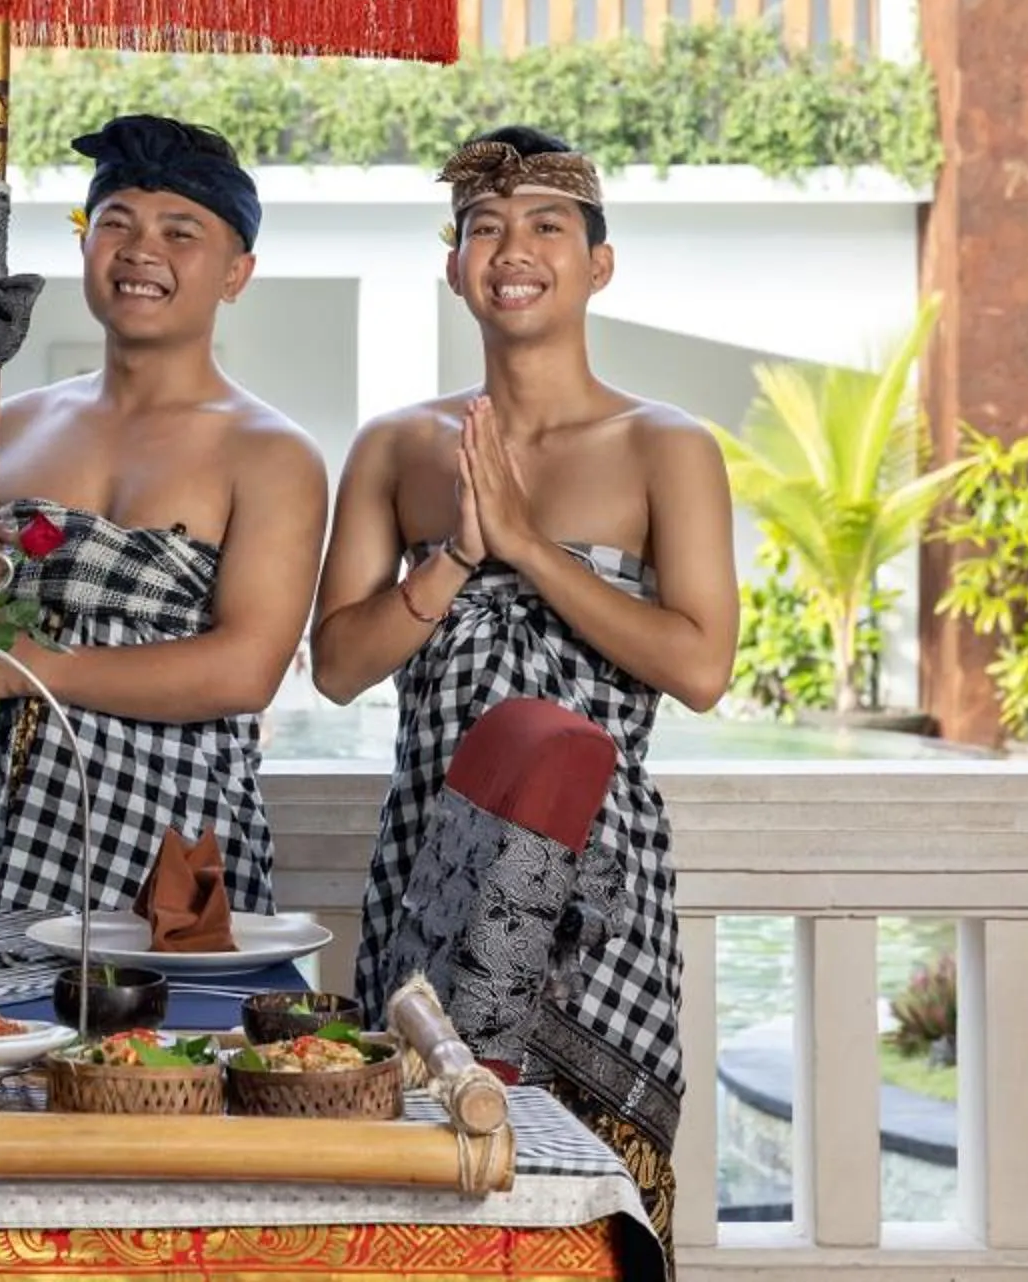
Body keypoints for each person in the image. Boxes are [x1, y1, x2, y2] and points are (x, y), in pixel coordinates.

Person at [312, 125, 738, 1262]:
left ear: (599, 261)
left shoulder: (665, 446)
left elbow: (700, 666)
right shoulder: (397, 445)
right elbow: (339, 663)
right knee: (422, 1174)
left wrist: (531, 547)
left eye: (548, 225)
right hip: (431, 852)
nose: (515, 249)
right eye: (485, 229)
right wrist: (454, 553)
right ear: (454, 266)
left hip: (603, 879)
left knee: (585, 1200)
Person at [0, 114, 328, 918]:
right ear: (85, 245)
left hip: (175, 847)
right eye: (116, 222)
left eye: (180, 232)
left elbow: (246, 670)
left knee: (155, 1050)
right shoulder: (4, 428)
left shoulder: (273, 454)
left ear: (236, 273)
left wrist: (44, 671)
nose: (141, 250)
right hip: (6, 836)